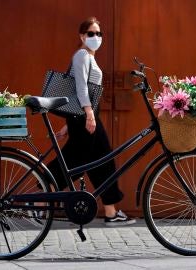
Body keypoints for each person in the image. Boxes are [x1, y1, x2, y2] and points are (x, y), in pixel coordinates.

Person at [47, 16, 135, 226]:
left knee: (102, 160)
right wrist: (88, 114)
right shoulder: (82, 55)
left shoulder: (90, 57)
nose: (96, 37)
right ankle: (43, 199)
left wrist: (70, 124)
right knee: (75, 159)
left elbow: (81, 93)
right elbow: (81, 89)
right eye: (91, 34)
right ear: (82, 36)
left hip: (86, 115)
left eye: (98, 34)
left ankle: (111, 212)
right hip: (88, 115)